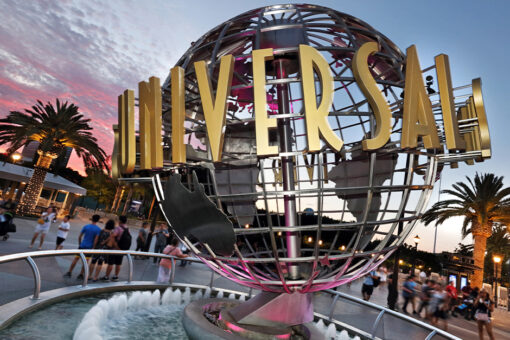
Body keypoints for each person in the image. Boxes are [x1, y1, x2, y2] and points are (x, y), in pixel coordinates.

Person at [63, 214, 102, 279]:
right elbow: (96, 240)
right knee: (86, 261)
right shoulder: (98, 229)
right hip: (89, 247)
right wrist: (93, 248)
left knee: (76, 259)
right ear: (98, 220)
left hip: (82, 245)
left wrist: (80, 244)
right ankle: (81, 274)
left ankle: (69, 272)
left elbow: (80, 236)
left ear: (92, 219)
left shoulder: (86, 226)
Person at [102, 215, 131, 281]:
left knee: (111, 263)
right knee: (118, 263)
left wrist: (105, 242)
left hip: (115, 249)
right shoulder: (127, 228)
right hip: (122, 249)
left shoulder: (118, 228)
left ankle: (106, 276)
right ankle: (116, 276)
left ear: (120, 221)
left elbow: (113, 236)